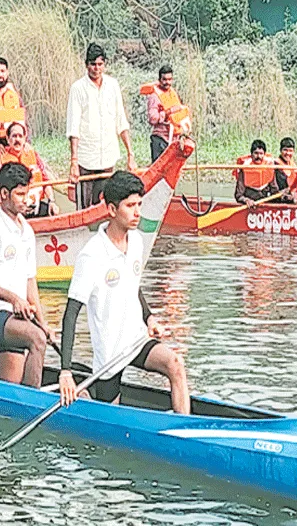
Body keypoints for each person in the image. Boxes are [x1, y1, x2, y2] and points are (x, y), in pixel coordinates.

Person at [58, 171, 190, 413]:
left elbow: (133, 285)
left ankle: (186, 428)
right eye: (130, 206)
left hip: (137, 340)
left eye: (139, 204)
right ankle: (84, 393)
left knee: (175, 364)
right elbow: (71, 314)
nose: (137, 212)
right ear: (111, 209)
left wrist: (149, 318)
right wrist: (64, 371)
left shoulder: (137, 241)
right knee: (108, 413)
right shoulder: (92, 255)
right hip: (110, 354)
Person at [0, 162, 46, 388]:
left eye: (27, 194)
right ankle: (34, 399)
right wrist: (14, 299)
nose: (26, 200)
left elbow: (30, 281)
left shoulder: (28, 231)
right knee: (37, 339)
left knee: (10, 387)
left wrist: (43, 322)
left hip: (20, 316)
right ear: (4, 194)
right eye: (20, 195)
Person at [66, 44, 136, 209]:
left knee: (105, 204)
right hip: (86, 157)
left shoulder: (113, 85)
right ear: (86, 65)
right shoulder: (78, 88)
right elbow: (73, 127)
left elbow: (121, 121)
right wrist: (74, 162)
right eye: (93, 64)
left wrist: (130, 154)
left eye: (100, 64)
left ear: (105, 64)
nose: (96, 69)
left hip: (107, 156)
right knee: (84, 208)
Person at [0, 122, 57, 217]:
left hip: (36, 205)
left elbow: (46, 180)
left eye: (20, 136)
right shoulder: (0, 158)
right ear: (8, 139)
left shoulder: (33, 154)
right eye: (14, 136)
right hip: (15, 211)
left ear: (25, 138)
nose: (17, 139)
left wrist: (52, 201)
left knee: (54, 213)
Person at [142, 65, 190, 162]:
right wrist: (168, 112)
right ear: (159, 80)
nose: (167, 82)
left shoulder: (173, 94)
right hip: (160, 140)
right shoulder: (154, 97)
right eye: (164, 79)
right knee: (159, 169)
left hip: (174, 140)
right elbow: (152, 119)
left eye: (169, 79)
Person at [234, 139, 277, 205]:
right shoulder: (245, 168)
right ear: (251, 154)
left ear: (264, 154)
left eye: (261, 154)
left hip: (265, 202)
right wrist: (246, 200)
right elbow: (238, 195)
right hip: (249, 203)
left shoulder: (269, 167)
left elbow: (274, 191)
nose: (258, 156)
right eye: (256, 153)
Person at [272, 137, 297, 203]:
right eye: (285, 150)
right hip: (280, 198)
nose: (288, 153)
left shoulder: (293, 165)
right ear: (280, 150)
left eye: (290, 151)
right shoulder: (275, 165)